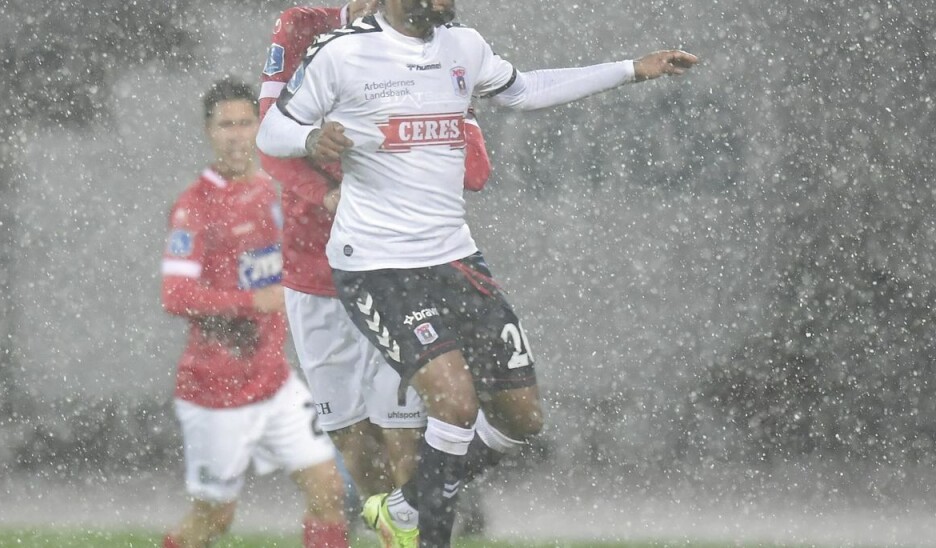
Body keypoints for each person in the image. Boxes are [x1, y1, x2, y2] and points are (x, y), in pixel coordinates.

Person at [257, 1, 698, 546]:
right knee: (452, 403)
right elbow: (271, 131)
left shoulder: (463, 44)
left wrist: (631, 69)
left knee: (522, 418)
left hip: (453, 258)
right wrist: (308, 140)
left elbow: (526, 90)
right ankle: (428, 535)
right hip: (377, 264)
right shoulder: (339, 50)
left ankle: (406, 506)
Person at [256, 0, 492, 525]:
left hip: (396, 269)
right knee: (356, 447)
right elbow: (269, 144)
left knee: (404, 433)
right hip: (312, 268)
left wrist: (455, 125)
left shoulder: (436, 35)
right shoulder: (305, 25)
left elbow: (475, 170)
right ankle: (397, 527)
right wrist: (327, 196)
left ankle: (424, 527)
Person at [160, 78, 349, 548]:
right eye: (226, 124)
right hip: (215, 388)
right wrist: (252, 302)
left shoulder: (276, 190)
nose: (237, 135)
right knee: (213, 519)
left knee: (328, 490)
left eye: (246, 123)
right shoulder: (195, 207)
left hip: (274, 380)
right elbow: (176, 295)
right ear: (209, 131)